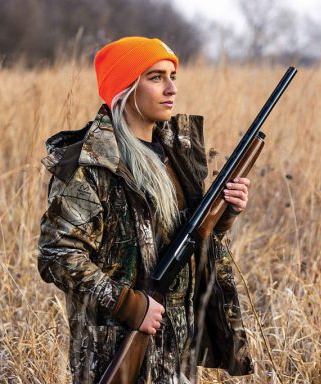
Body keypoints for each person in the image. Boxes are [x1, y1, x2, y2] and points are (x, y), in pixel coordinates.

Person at [38, 36, 254, 384]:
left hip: (176, 352)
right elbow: (58, 256)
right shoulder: (91, 165)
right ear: (125, 87)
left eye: (173, 76)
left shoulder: (176, 157)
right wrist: (130, 306)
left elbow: (182, 244)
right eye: (155, 77)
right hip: (111, 347)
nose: (171, 88)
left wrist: (223, 214)